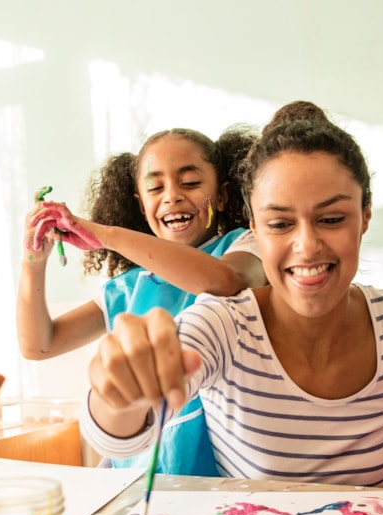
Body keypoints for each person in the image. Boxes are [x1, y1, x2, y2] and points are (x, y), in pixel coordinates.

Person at [78, 101, 383, 490]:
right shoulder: (221, 324)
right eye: (280, 224)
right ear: (254, 227)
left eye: (331, 219)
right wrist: (120, 396)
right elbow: (120, 440)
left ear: (365, 215)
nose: (307, 245)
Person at [17, 126, 266, 475]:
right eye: (155, 187)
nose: (172, 196)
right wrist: (33, 263)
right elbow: (40, 345)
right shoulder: (127, 288)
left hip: (213, 484)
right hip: (134, 479)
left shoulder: (246, 245)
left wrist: (104, 235)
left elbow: (224, 281)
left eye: (190, 182)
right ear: (140, 204)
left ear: (223, 196)